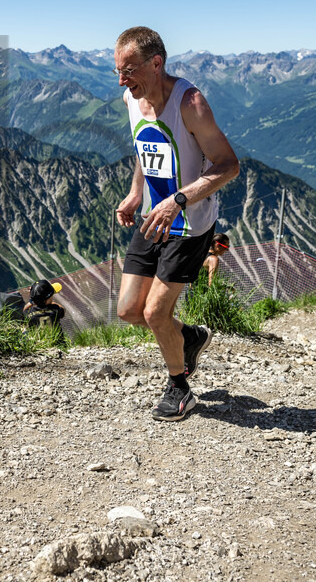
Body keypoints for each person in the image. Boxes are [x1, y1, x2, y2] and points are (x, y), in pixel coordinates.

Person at [113, 26, 240, 422]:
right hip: (155, 218)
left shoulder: (191, 103)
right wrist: (137, 193)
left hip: (190, 224)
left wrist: (178, 199)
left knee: (155, 313)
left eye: (129, 69)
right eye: (117, 71)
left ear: (156, 63)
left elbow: (228, 166)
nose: (122, 80)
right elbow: (144, 147)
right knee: (129, 310)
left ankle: (179, 388)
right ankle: (190, 337)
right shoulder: (132, 99)